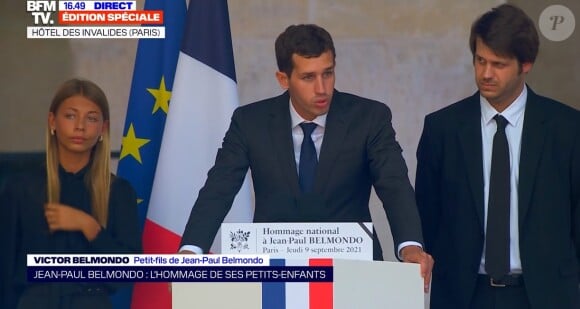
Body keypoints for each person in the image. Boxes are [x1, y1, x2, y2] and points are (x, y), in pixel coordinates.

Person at [179, 24, 433, 291]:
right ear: (283, 79)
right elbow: (219, 188)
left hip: (354, 275)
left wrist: (411, 247)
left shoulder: (370, 118)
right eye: (308, 77)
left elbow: (394, 185)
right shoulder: (250, 122)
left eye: (328, 73)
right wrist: (192, 250)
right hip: (274, 276)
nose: (322, 88)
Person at [416, 4, 580, 309]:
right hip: (464, 296)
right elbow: (426, 215)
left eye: (499, 64)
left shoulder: (567, 129)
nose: (486, 73)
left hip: (547, 296)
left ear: (526, 64)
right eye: (480, 61)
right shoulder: (442, 128)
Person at [0, 78, 142, 309]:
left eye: (91, 118)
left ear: (103, 129)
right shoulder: (21, 188)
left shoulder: (118, 191)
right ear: (52, 121)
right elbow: (4, 268)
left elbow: (130, 270)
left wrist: (90, 228)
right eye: (71, 116)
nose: (80, 126)